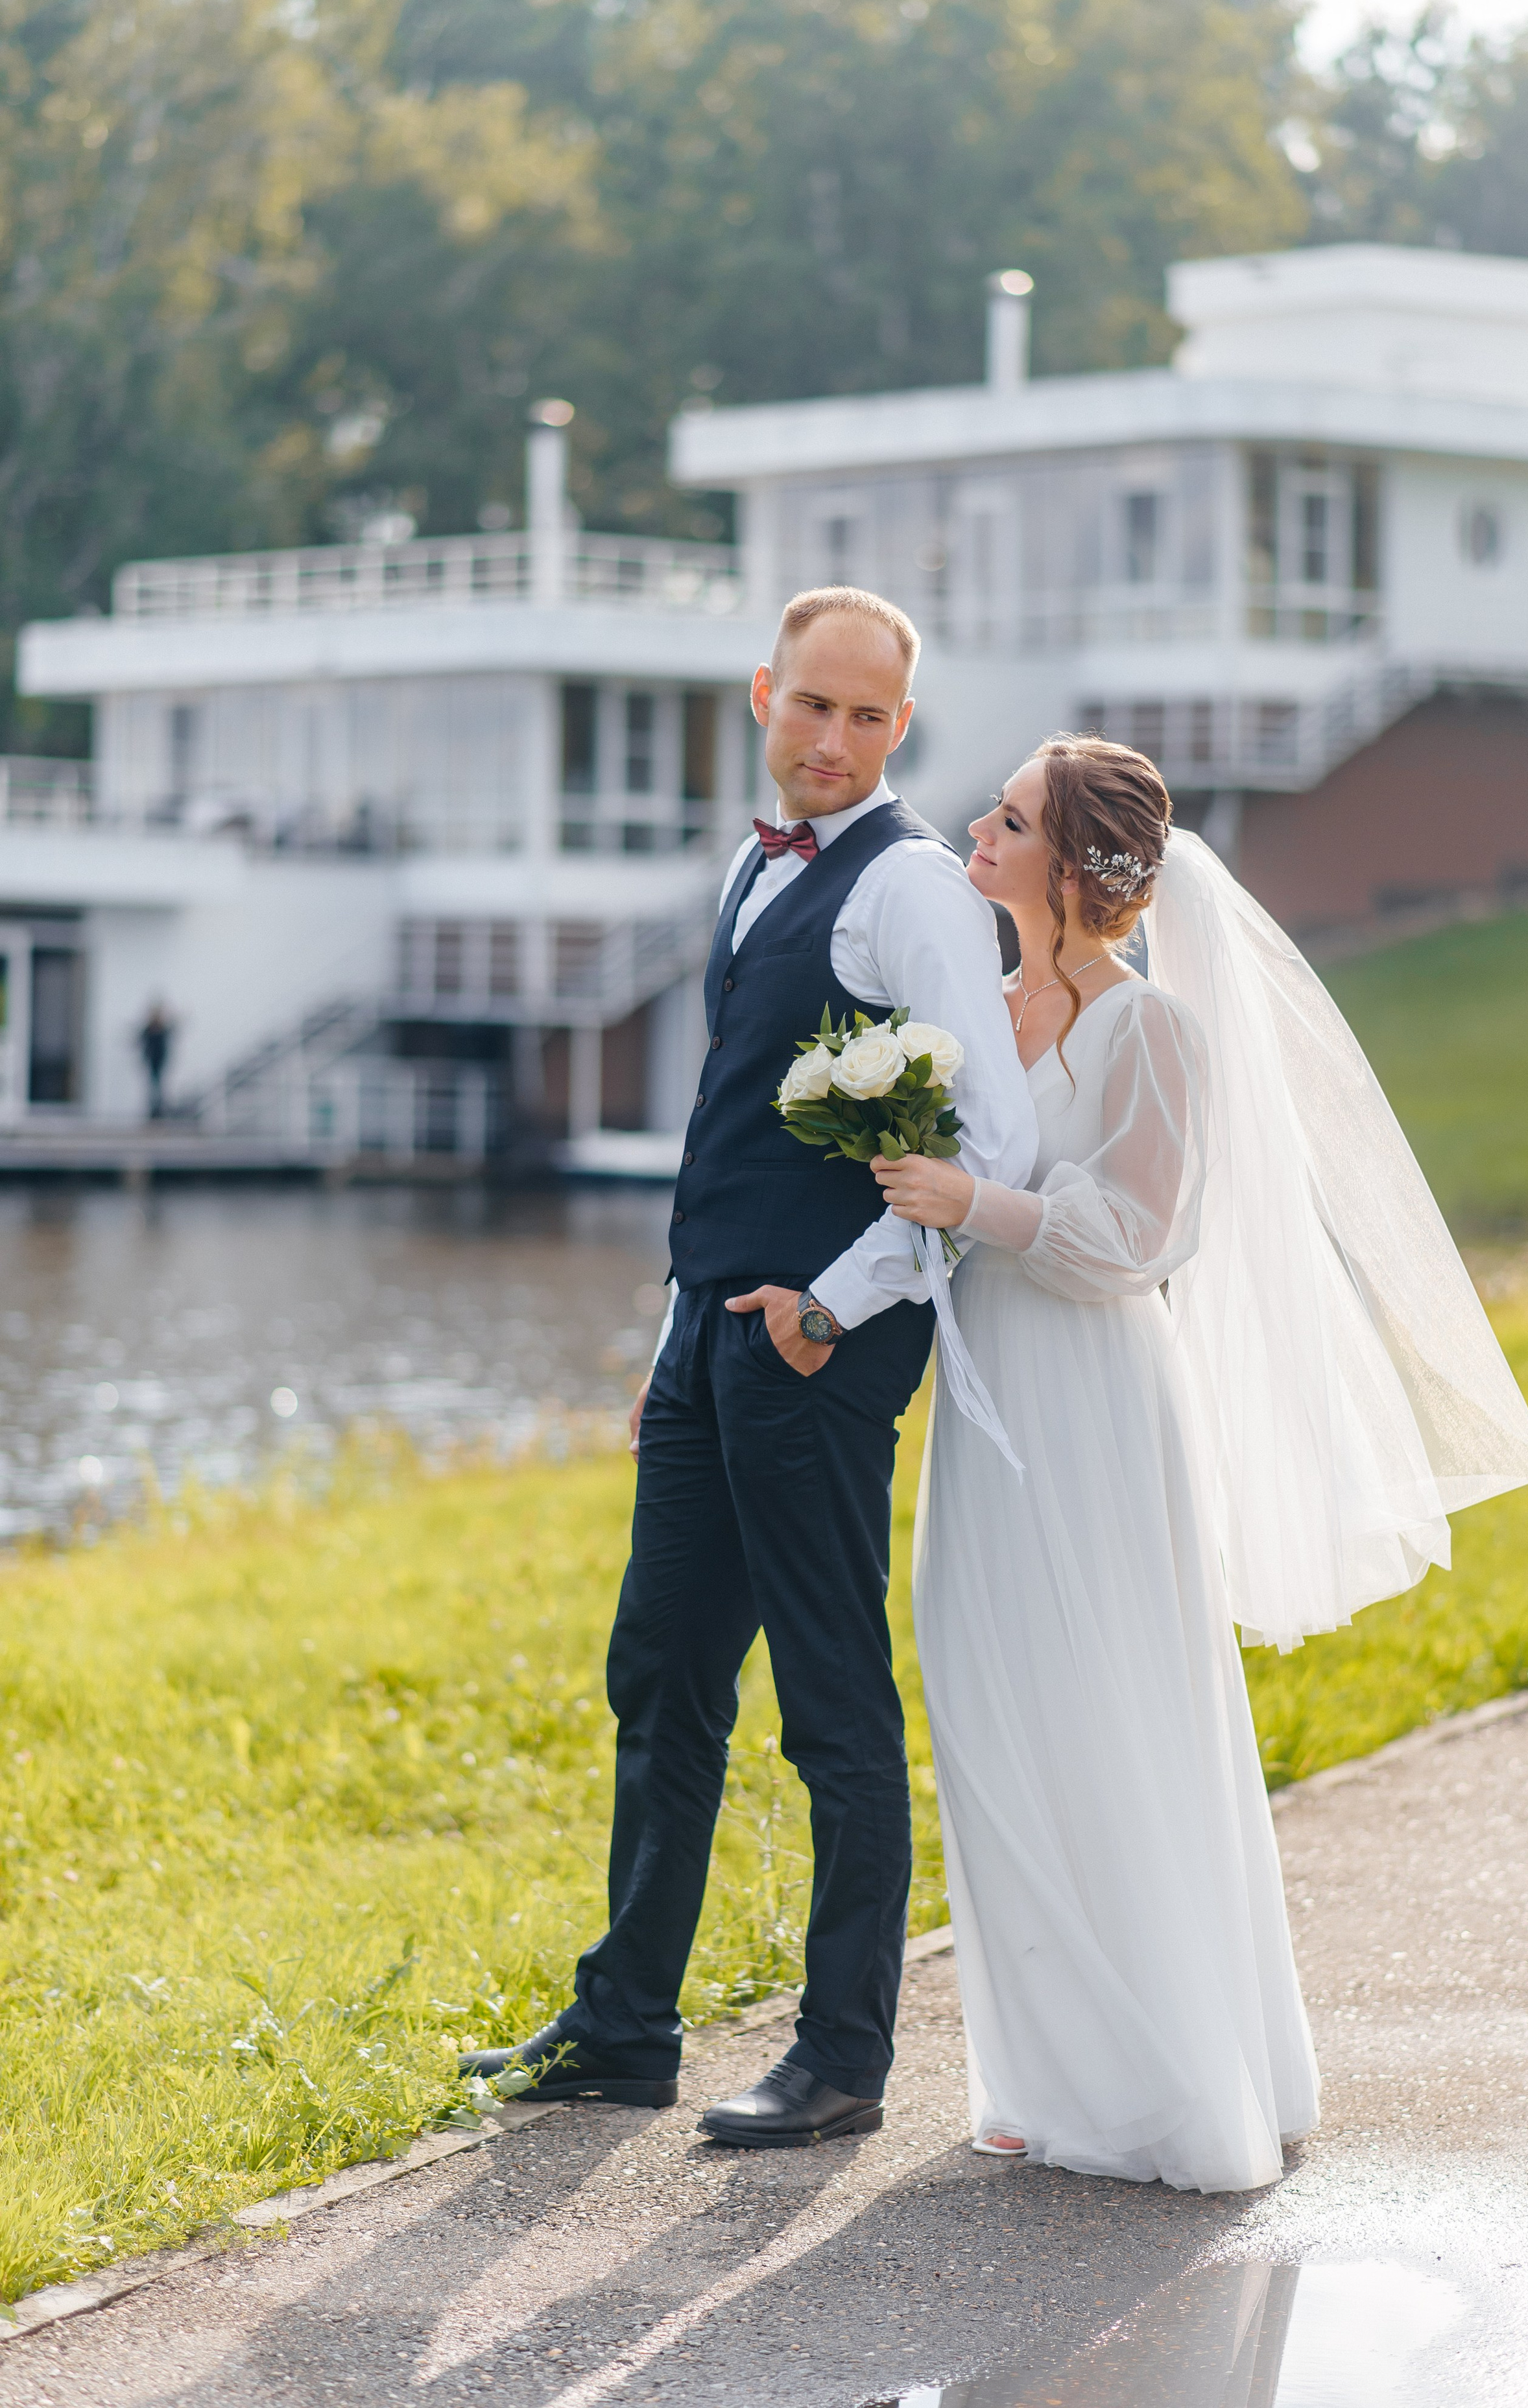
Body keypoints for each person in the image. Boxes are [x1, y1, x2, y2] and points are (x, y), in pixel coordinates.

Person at [872, 736, 1528, 2191]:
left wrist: (974, 1204)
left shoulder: (1151, 1032)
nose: (977, 826)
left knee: (1111, 1712)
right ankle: (1043, 2069)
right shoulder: (974, 1017)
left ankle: (1166, 2081)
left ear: (1070, 868)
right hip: (985, 1408)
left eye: (1009, 818)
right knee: (993, 1710)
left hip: (1097, 1403)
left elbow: (1138, 1239)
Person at [460, 587, 1038, 2147]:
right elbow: (730, 1122)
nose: (833, 738)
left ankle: (842, 2054)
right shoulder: (746, 863)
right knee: (659, 1670)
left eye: (867, 716)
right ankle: (623, 2025)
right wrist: (678, 1330)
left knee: (829, 1697)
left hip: (816, 1352)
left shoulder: (911, 888)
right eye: (811, 705)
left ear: (899, 725)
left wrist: (827, 1308)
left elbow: (993, 1145)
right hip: (703, 1342)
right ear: (761, 696)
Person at [137, 1001, 175, 1120]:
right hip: (152, 1062)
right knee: (154, 1087)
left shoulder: (163, 1029)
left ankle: (159, 1110)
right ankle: (154, 1110)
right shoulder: (149, 1029)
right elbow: (142, 1041)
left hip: (159, 1062)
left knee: (159, 1087)